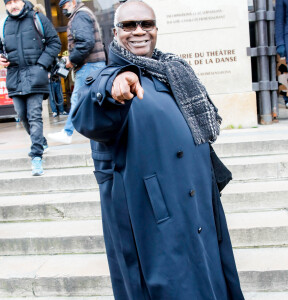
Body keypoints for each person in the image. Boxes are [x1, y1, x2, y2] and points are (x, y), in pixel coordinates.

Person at [71, 1, 245, 299]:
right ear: (115, 32)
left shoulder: (171, 70)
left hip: (198, 205)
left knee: (212, 282)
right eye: (129, 26)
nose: (138, 31)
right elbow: (89, 117)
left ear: (155, 29)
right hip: (154, 220)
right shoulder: (110, 77)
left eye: (146, 24)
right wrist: (114, 84)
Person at [0, 0, 61, 175]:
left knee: (34, 116)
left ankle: (36, 156)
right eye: (9, 2)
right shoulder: (3, 24)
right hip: (14, 76)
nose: (13, 5)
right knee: (22, 115)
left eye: (15, 1)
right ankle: (40, 141)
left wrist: (41, 65)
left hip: (35, 75)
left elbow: (54, 43)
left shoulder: (37, 18)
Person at [47, 0, 106, 144]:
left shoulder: (80, 15)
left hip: (89, 65)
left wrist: (71, 60)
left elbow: (85, 42)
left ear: (73, 2)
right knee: (94, 101)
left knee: (78, 100)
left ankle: (67, 133)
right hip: (92, 64)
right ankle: (103, 133)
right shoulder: (82, 14)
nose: (62, 10)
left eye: (64, 6)